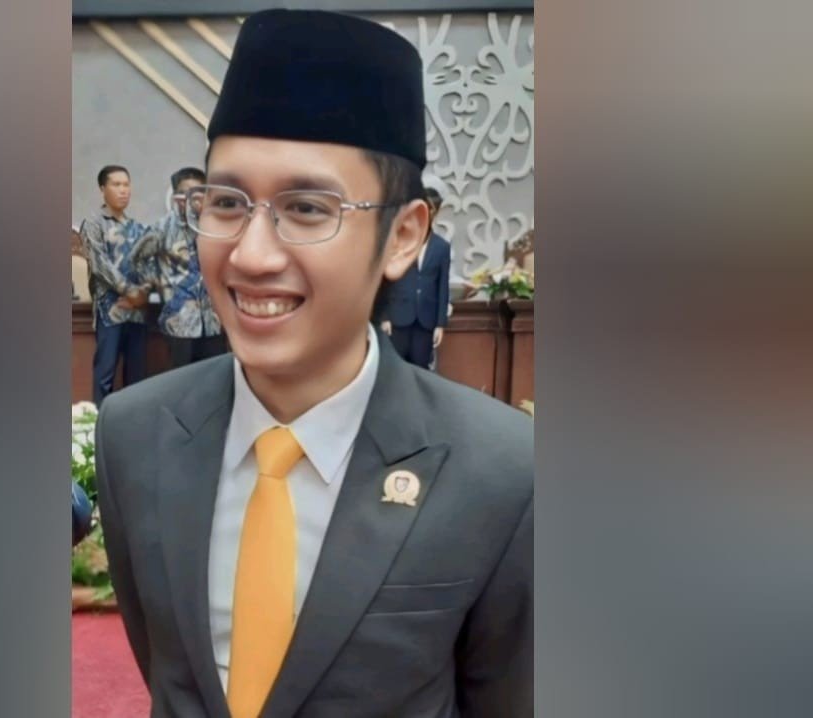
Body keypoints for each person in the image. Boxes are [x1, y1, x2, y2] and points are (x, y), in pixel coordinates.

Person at [96, 10, 532, 718]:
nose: (251, 255)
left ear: (403, 235)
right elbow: (168, 673)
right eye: (226, 202)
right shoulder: (135, 432)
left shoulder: (501, 470)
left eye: (305, 208)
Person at [138, 167, 228, 368]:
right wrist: (158, 284)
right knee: (183, 377)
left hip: (212, 321)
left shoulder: (214, 228)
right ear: (177, 197)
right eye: (186, 193)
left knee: (215, 375)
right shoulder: (162, 228)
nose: (193, 199)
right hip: (179, 321)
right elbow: (138, 260)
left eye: (199, 193)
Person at [79, 165, 150, 406]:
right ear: (102, 189)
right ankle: (100, 422)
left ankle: (133, 423)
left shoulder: (137, 228)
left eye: (126, 185)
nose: (123, 190)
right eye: (116, 184)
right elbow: (100, 266)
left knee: (137, 376)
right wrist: (130, 291)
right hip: (110, 310)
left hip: (137, 311)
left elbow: (148, 265)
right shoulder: (94, 224)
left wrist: (143, 293)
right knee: (105, 373)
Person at [380, 186, 452, 369]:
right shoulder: (398, 241)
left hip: (426, 320)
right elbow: (385, 279)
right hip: (398, 316)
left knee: (420, 369)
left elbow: (442, 287)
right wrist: (385, 316)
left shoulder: (442, 247)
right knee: (395, 369)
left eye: (433, 210)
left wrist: (440, 324)